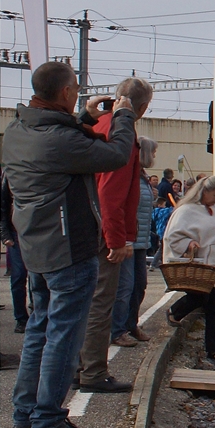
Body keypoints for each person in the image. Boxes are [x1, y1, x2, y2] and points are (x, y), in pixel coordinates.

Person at [1, 61, 136, 428]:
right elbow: (115, 155)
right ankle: (48, 420)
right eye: (76, 88)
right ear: (64, 92)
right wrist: (123, 115)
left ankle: (24, 415)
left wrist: (84, 116)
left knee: (40, 332)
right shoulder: (60, 142)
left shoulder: (17, 130)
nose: (78, 91)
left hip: (36, 247)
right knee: (63, 336)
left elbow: (61, 139)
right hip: (69, 247)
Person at [76, 78, 153, 394]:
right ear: (143, 107)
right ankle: (93, 372)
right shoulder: (122, 133)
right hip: (103, 231)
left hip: (82, 227)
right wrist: (117, 238)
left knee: (82, 302)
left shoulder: (97, 124)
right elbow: (111, 191)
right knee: (101, 302)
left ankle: (77, 366)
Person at [164, 176, 215, 362]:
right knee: (201, 298)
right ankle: (176, 311)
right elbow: (173, 236)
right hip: (203, 263)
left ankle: (213, 349)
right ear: (203, 192)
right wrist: (188, 243)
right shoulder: (186, 211)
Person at [111, 137, 157, 347]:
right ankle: (117, 329)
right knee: (125, 287)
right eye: (153, 152)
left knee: (139, 284)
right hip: (129, 241)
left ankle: (130, 324)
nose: (154, 157)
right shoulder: (130, 176)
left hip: (140, 240)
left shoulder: (142, 178)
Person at [0, 170, 30, 333]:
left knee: (39, 277)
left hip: (36, 232)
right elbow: (2, 207)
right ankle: (21, 318)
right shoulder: (10, 174)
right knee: (18, 276)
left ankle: (38, 314)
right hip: (16, 232)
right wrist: (5, 234)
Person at [151, 194, 174, 270]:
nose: (165, 206)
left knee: (162, 248)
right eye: (164, 205)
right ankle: (155, 264)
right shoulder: (162, 212)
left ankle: (157, 263)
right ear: (160, 205)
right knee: (162, 248)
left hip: (159, 232)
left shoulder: (154, 212)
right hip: (164, 232)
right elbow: (171, 210)